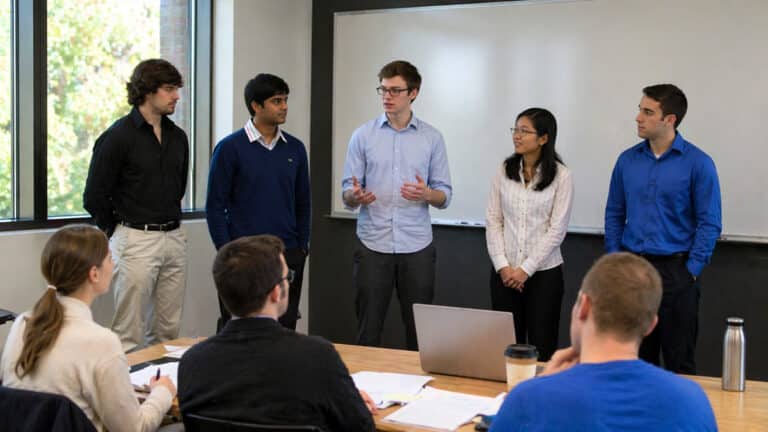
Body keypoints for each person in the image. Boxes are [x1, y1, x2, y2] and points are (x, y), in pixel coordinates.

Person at [490, 252, 717, 431]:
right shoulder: (693, 402)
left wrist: (539, 386)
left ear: (584, 307)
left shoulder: (528, 401)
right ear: (650, 325)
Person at [177, 235, 376, 430]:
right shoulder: (318, 358)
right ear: (276, 292)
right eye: (287, 277)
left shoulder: (192, 363)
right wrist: (349, 403)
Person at [0, 225, 176, 432]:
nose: (113, 265)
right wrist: (162, 392)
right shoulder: (101, 342)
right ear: (94, 273)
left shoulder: (22, 324)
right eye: (110, 259)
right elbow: (134, 428)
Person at [604, 84, 722, 374]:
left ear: (669, 119)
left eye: (647, 112)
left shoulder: (699, 163)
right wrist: (616, 259)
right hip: (633, 271)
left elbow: (710, 223)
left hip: (676, 273)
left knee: (678, 361)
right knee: (633, 361)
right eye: (639, 109)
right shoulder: (627, 160)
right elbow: (615, 213)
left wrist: (691, 270)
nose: (638, 118)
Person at [341, 60, 452, 350]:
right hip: (372, 244)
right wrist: (356, 196)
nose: (387, 96)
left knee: (419, 333)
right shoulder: (362, 136)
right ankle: (365, 392)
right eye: (383, 89)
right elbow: (347, 194)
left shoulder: (432, 138)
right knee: (368, 329)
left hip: (416, 246)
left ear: (413, 92)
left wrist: (426, 194)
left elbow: (444, 196)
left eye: (395, 90)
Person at [83, 59, 189, 352]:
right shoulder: (117, 137)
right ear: (147, 91)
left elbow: (177, 188)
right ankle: (125, 396)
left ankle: (162, 391)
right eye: (169, 89)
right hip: (135, 239)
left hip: (174, 238)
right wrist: (118, 229)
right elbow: (94, 196)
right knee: (128, 334)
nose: (176, 96)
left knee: (169, 331)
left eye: (176, 89)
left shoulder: (178, 137)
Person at [206, 73, 310, 332]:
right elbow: (215, 206)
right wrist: (226, 251)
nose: (284, 106)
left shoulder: (295, 149)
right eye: (277, 101)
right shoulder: (230, 148)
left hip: (288, 253)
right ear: (256, 106)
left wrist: (301, 248)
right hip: (243, 257)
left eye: (285, 100)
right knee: (238, 326)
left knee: (285, 326)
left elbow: (303, 202)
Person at [485, 107, 573, 362]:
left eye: (525, 131)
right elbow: (493, 220)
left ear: (543, 138)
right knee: (505, 347)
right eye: (515, 129)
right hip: (504, 273)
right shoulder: (504, 170)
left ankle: (540, 398)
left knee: (542, 345)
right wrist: (503, 266)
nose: (517, 136)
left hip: (544, 275)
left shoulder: (562, 176)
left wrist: (525, 269)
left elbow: (557, 230)